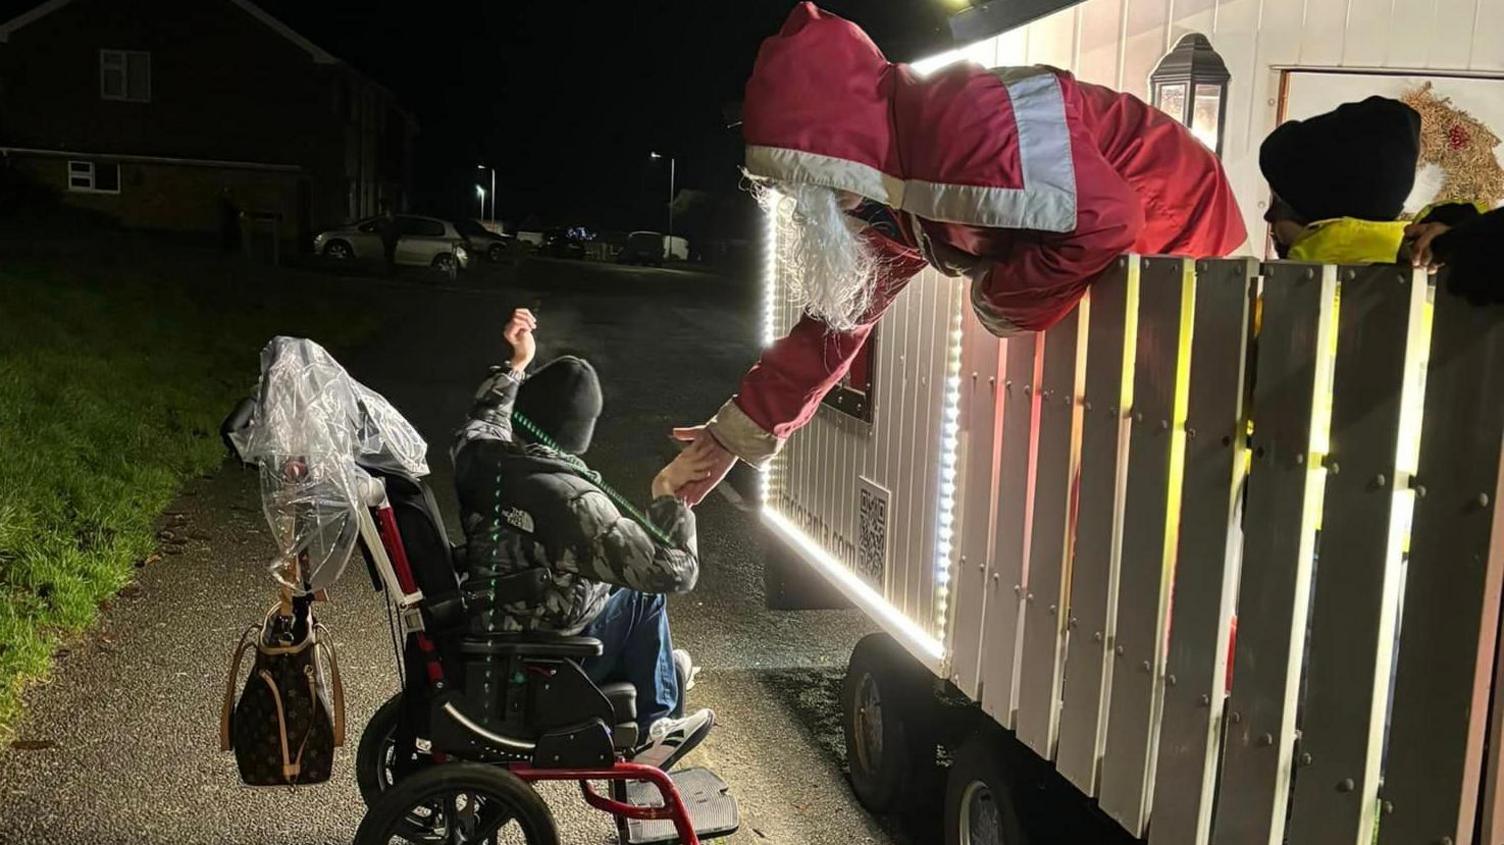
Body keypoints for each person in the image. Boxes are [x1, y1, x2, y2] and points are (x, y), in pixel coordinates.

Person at [661, 3, 1247, 503]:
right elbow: (836, 324)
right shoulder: (892, 186)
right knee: (1108, 484)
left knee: (1155, 481)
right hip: (1136, 256)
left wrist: (995, 300)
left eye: (796, 177)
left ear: (827, 152)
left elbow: (1107, 220)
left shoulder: (962, 126)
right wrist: (734, 433)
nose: (795, 198)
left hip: (1176, 232)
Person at [451, 308, 718, 770]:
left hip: (487, 638)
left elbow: (486, 418)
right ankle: (658, 727)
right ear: (581, 434)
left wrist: (518, 364)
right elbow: (675, 569)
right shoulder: (572, 501)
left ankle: (663, 677)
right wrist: (666, 493)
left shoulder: (481, 459)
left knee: (628, 601)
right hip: (545, 661)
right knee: (642, 598)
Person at [1259, 96, 1426, 264]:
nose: (1268, 216)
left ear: (1318, 212)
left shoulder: (1301, 287)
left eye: (1279, 202)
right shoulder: (1405, 275)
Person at [378, 201, 400, 276]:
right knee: (389, 257)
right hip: (388, 242)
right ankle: (390, 271)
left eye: (387, 213)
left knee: (390, 257)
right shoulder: (388, 222)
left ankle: (390, 271)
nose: (386, 214)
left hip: (390, 242)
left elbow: (394, 232)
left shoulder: (392, 223)